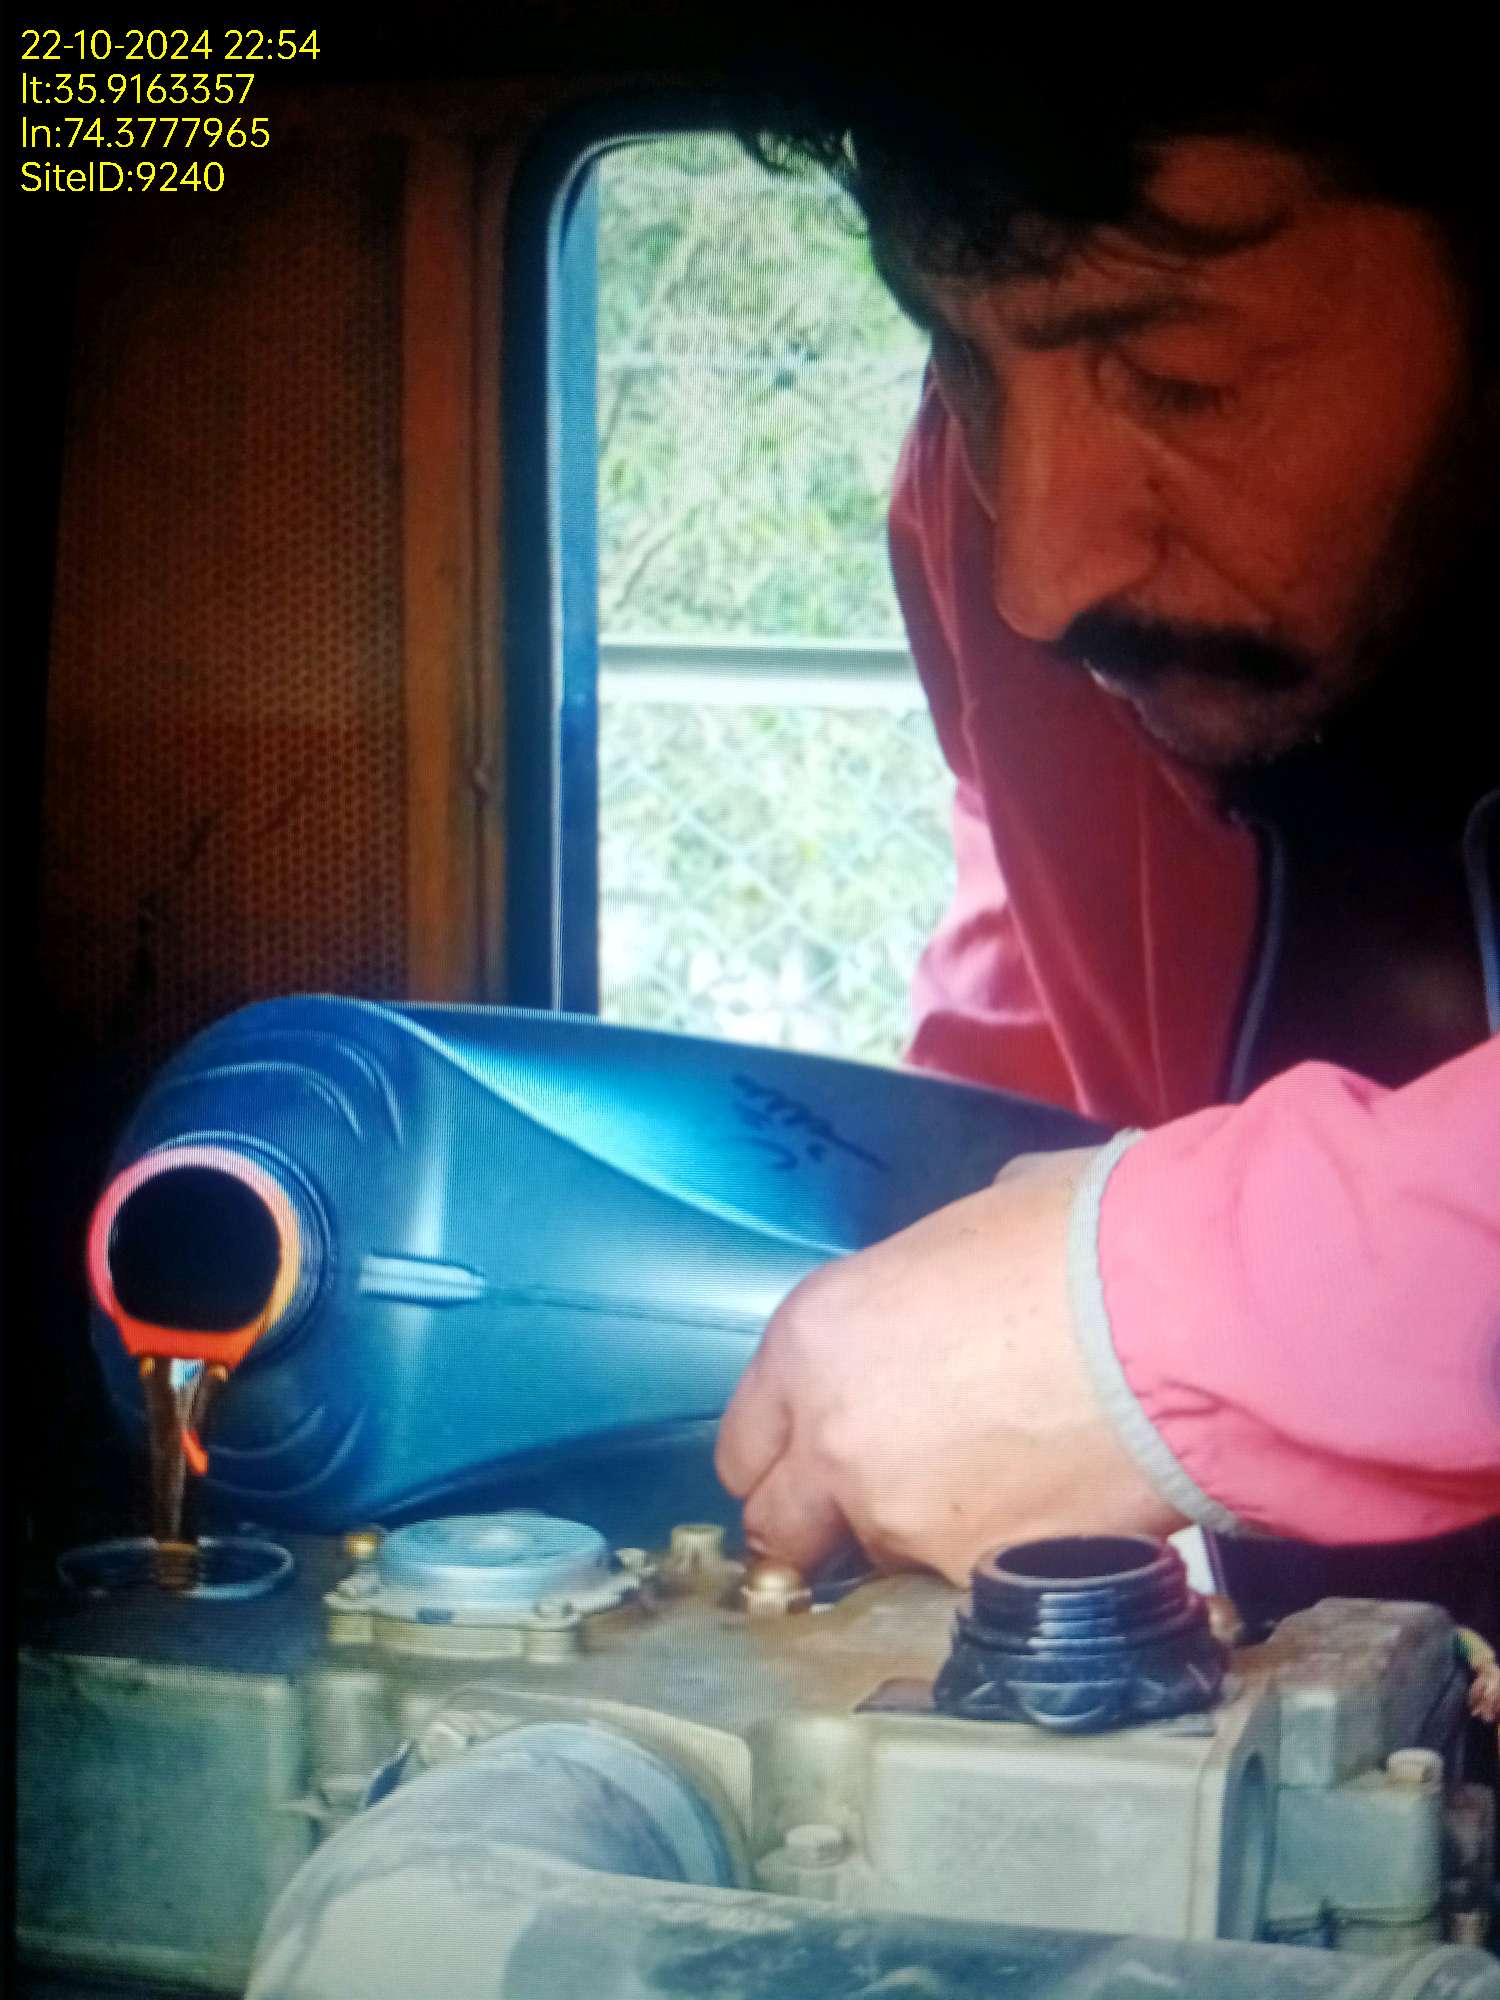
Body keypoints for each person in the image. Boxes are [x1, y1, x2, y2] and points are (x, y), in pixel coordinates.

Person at [712, 48, 1500, 1626]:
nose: (1040, 575)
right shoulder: (975, 510)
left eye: (1178, 374)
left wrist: (1189, 1310)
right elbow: (1035, 967)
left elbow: (1131, 1304)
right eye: (957, 355)